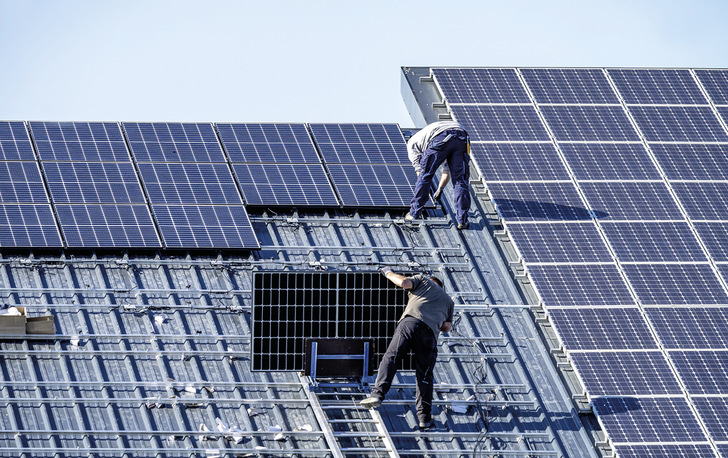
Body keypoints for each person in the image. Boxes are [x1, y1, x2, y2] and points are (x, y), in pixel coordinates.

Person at [360, 266, 454, 429]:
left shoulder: (424, 281)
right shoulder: (448, 301)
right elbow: (446, 327)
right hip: (429, 335)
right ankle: (424, 418)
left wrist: (388, 273)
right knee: (424, 375)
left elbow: (404, 282)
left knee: (391, 357)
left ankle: (377, 395)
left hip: (410, 323)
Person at [406, 121, 471, 230]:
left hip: (441, 136)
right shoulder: (424, 137)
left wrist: (427, 191)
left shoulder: (412, 146)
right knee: (460, 180)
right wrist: (440, 189)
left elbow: (421, 173)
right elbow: (447, 171)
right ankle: (462, 220)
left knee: (425, 175)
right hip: (462, 137)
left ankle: (414, 213)